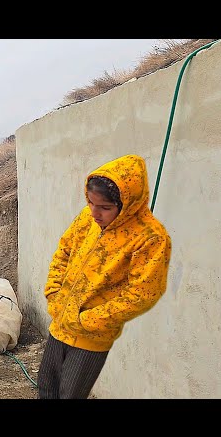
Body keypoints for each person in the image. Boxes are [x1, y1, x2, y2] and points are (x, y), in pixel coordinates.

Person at [38, 154, 171, 399]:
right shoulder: (88, 218)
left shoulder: (149, 237)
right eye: (90, 203)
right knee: (46, 389)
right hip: (60, 323)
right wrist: (54, 292)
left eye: (105, 208)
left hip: (91, 336)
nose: (95, 213)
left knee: (70, 395)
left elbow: (143, 293)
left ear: (127, 203)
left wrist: (90, 319)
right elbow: (64, 250)